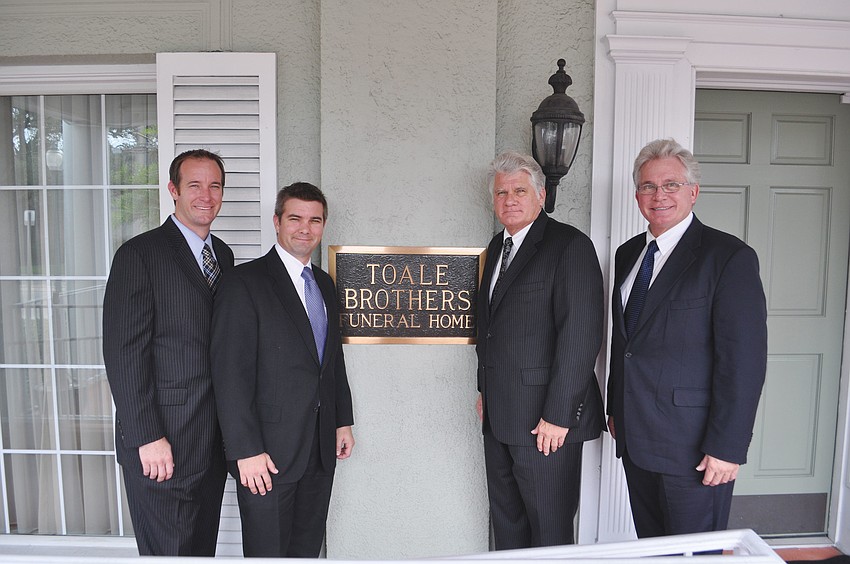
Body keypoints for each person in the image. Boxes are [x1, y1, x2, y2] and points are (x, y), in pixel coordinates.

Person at [607, 138, 768, 538]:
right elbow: (626, 343)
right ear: (637, 194)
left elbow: (743, 362)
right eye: (647, 186)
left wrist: (728, 447)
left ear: (693, 192)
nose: (658, 195)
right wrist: (615, 405)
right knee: (653, 548)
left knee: (695, 555)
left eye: (671, 185)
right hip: (635, 436)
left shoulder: (728, 257)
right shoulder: (629, 255)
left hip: (694, 448)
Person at [211, 182, 354, 558]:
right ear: (277, 222)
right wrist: (245, 450)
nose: (305, 228)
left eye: (314, 220)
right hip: (266, 456)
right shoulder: (244, 284)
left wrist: (342, 420)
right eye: (295, 218)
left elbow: (331, 361)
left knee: (305, 552)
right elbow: (230, 375)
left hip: (319, 449)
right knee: (268, 554)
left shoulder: (323, 284)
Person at [102, 149, 232, 555]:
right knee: (167, 555)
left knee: (199, 551)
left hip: (210, 445)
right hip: (163, 445)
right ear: (173, 190)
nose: (206, 196)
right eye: (195, 185)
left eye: (214, 186)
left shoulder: (223, 256)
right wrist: (147, 437)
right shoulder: (139, 255)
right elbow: (124, 354)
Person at [475, 151, 605, 549]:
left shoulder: (569, 245)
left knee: (549, 532)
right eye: (501, 193)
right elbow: (492, 331)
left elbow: (581, 336)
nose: (509, 200)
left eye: (519, 190)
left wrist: (558, 416)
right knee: (508, 524)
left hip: (546, 425)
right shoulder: (497, 248)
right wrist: (484, 390)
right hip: (500, 416)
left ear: (541, 195)